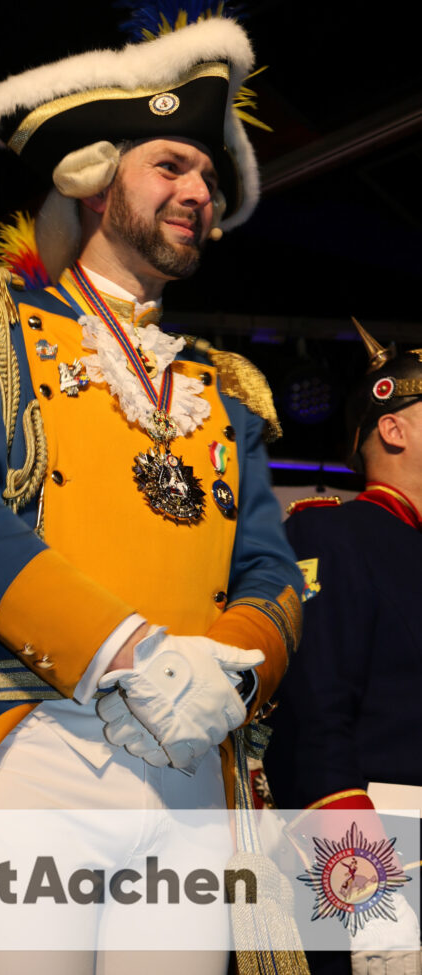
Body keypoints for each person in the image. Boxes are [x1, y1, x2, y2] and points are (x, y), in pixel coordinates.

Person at [0, 7, 304, 974]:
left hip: (192, 767)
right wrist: (129, 652)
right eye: (172, 165)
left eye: (209, 177)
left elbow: (271, 569)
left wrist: (227, 672)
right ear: (96, 178)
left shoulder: (229, 392)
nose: (201, 193)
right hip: (35, 748)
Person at [264, 321, 422, 975]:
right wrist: (367, 892)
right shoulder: (333, 534)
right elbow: (315, 722)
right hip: (391, 862)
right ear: (394, 428)